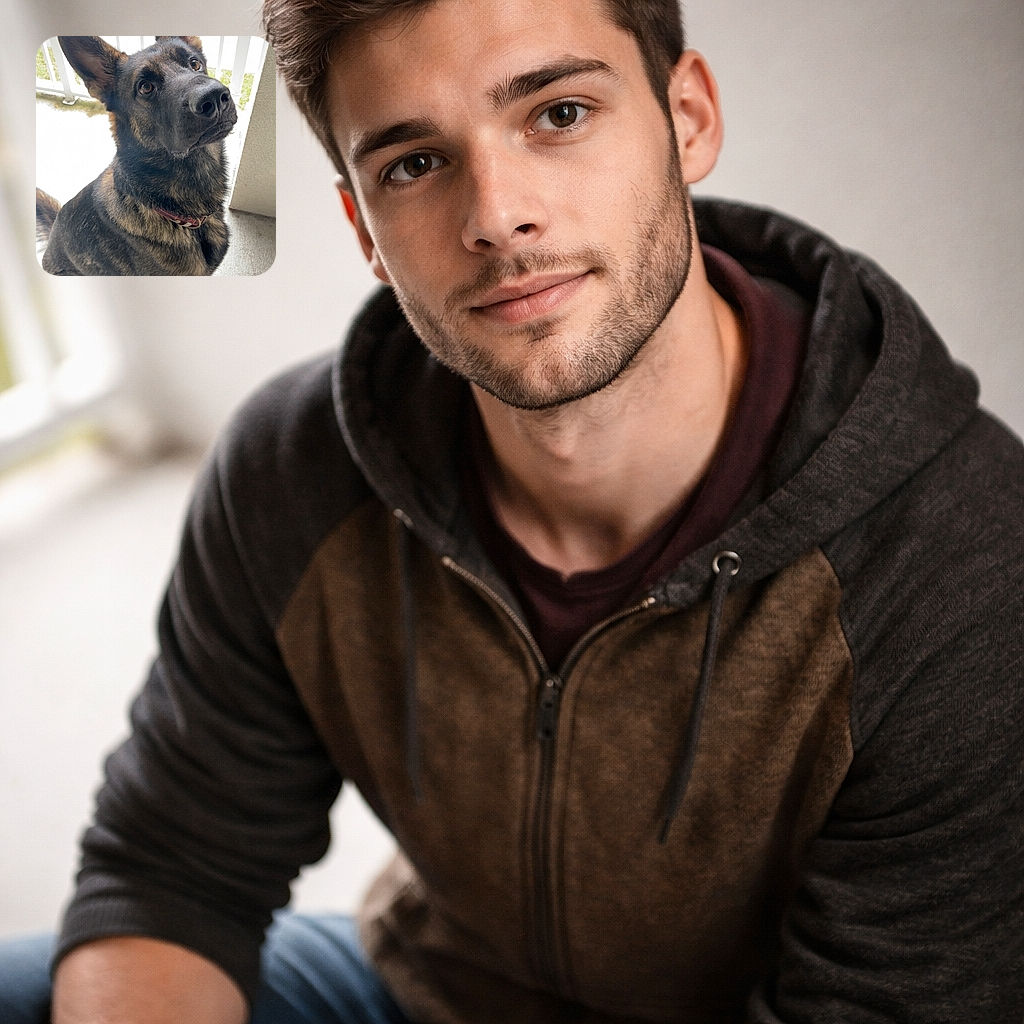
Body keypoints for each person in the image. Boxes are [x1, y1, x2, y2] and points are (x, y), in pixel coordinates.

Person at [3, 0, 1022, 1021]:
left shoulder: (964, 564)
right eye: (412, 163)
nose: (495, 214)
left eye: (560, 113)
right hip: (429, 988)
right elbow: (174, 865)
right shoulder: (291, 465)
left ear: (688, 119)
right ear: (363, 227)